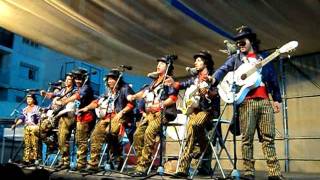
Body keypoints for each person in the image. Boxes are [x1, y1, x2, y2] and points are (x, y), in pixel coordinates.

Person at [211, 26, 284, 180]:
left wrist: (276, 99)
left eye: (243, 40)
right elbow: (222, 70)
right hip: (246, 103)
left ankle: (274, 173)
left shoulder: (263, 58)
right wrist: (213, 79)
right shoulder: (235, 58)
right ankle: (249, 173)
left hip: (265, 102)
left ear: (251, 40)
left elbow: (272, 78)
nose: (240, 43)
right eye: (237, 41)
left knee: (268, 137)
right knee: (247, 138)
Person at [165, 50, 219, 178]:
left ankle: (199, 149)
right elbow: (182, 84)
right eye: (196, 60)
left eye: (199, 60)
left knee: (193, 126)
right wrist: (173, 83)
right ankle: (183, 169)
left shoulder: (213, 77)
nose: (195, 62)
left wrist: (207, 93)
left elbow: (215, 93)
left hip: (208, 111)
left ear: (206, 63)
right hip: (194, 112)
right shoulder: (195, 79)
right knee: (190, 130)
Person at [127, 55, 178, 177]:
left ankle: (143, 167)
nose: (158, 65)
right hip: (150, 113)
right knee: (137, 134)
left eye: (162, 64)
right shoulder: (155, 82)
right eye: (158, 63)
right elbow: (145, 93)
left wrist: (160, 105)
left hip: (163, 113)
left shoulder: (169, 80)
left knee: (149, 132)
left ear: (168, 67)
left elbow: (173, 98)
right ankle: (142, 162)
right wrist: (134, 96)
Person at [78, 68, 135, 172]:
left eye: (112, 78)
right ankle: (93, 164)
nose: (109, 81)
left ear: (118, 79)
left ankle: (116, 157)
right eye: (108, 79)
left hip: (120, 117)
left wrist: (122, 112)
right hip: (105, 117)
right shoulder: (108, 92)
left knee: (110, 131)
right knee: (95, 135)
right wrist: (86, 108)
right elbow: (97, 102)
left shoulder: (125, 88)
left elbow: (131, 103)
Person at [39, 73, 76, 169]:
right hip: (57, 115)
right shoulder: (63, 90)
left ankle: (65, 161)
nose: (67, 81)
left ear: (73, 81)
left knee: (63, 136)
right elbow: (53, 95)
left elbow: (73, 100)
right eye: (66, 79)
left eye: (69, 79)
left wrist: (62, 101)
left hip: (68, 115)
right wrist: (45, 94)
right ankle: (54, 146)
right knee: (41, 129)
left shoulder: (75, 90)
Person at [68, 68, 95, 171]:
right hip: (79, 117)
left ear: (84, 79)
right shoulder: (79, 88)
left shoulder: (86, 88)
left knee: (82, 141)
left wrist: (65, 101)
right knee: (79, 140)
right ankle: (80, 163)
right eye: (76, 79)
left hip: (86, 117)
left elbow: (78, 97)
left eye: (79, 79)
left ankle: (81, 164)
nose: (77, 81)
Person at [11, 93, 41, 165]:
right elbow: (22, 119)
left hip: (35, 127)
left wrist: (39, 126)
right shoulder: (24, 109)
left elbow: (40, 118)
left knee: (34, 143)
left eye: (30, 99)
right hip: (27, 127)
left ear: (33, 100)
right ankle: (26, 159)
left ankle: (34, 159)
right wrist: (15, 125)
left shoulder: (37, 108)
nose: (28, 100)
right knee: (27, 143)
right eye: (27, 99)